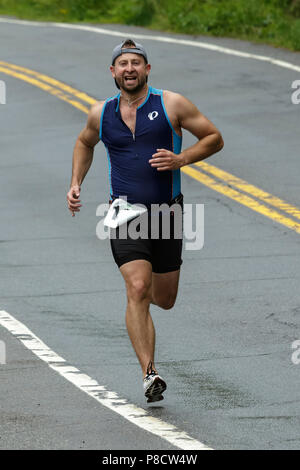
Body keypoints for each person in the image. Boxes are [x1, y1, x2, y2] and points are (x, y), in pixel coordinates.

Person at [67, 39, 224, 403]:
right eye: (123, 63)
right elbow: (83, 143)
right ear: (113, 72)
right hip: (125, 214)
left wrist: (182, 159)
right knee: (137, 287)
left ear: (147, 69)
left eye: (136, 63)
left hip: (167, 213)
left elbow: (214, 138)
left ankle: (142, 314)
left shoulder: (172, 104)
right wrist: (75, 183)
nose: (129, 69)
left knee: (164, 298)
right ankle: (149, 373)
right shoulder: (101, 113)